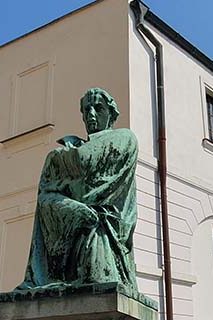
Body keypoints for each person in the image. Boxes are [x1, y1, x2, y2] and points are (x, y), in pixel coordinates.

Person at [16, 88, 139, 293]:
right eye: (86, 110)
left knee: (97, 272)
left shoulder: (123, 137)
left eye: (98, 108)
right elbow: (47, 192)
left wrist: (64, 157)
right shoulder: (70, 147)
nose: (91, 114)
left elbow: (88, 166)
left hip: (103, 227)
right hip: (72, 224)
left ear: (111, 114)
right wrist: (70, 205)